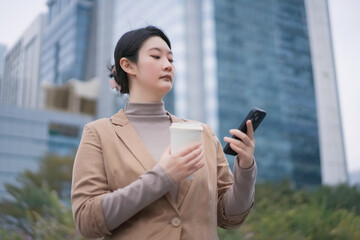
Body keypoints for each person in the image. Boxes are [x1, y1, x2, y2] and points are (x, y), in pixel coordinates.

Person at [71, 25, 257, 240]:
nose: (167, 65)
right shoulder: (99, 134)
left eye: (170, 59)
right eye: (156, 57)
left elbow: (230, 217)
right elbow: (87, 220)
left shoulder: (203, 133)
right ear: (128, 65)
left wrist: (246, 169)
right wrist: (163, 176)